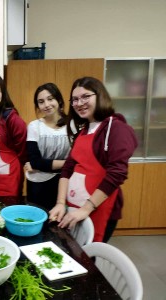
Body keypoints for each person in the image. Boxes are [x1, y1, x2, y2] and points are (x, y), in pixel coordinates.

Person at [49, 76, 138, 242]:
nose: (79, 103)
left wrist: (87, 208)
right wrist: (61, 203)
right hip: (74, 207)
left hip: (97, 208)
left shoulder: (116, 128)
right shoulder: (84, 130)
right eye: (75, 99)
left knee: (90, 257)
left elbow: (117, 174)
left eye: (85, 97)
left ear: (100, 96)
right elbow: (68, 169)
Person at [24, 83, 70, 210]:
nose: (47, 104)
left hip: (64, 182)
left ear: (59, 100)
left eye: (50, 99)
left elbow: (78, 160)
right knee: (38, 221)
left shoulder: (72, 125)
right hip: (38, 185)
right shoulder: (34, 126)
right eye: (41, 101)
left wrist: (41, 166)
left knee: (60, 224)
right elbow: (35, 161)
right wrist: (67, 163)